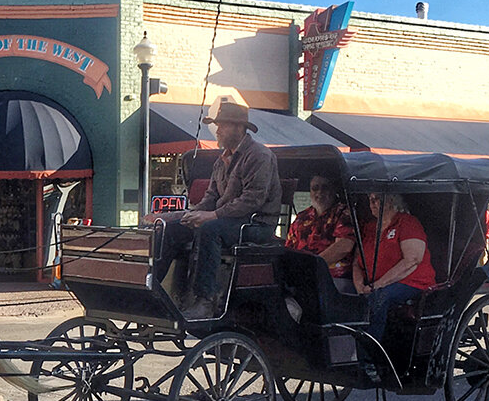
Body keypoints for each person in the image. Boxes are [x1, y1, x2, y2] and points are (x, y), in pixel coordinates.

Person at [150, 98, 282, 319]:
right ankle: (155, 288)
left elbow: (253, 200)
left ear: (239, 128)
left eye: (223, 125)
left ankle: (205, 301)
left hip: (256, 224)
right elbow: (211, 197)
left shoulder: (259, 155)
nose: (217, 130)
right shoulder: (221, 161)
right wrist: (191, 215)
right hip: (226, 220)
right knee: (170, 228)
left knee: (209, 230)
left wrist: (211, 215)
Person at [354, 192, 435, 342]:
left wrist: (377, 285)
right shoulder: (370, 227)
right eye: (370, 199)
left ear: (391, 200)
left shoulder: (407, 223)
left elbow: (412, 260)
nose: (372, 203)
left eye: (377, 198)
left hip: (411, 282)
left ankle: (369, 356)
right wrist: (358, 285)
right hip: (372, 283)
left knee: (379, 297)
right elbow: (356, 261)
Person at [285, 176, 357, 289]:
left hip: (333, 278)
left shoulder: (344, 213)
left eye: (325, 187)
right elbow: (289, 248)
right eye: (315, 188)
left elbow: (344, 247)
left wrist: (313, 266)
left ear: (333, 190)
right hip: (302, 276)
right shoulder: (301, 217)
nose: (320, 192)